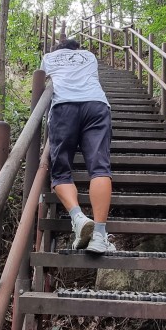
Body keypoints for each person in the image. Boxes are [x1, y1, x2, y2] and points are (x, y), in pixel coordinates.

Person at [41, 38, 115, 253]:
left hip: (64, 107)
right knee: (99, 168)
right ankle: (99, 235)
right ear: (77, 48)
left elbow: (41, 83)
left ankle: (78, 217)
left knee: (61, 171)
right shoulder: (89, 56)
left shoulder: (48, 58)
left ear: (57, 49)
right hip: (96, 105)